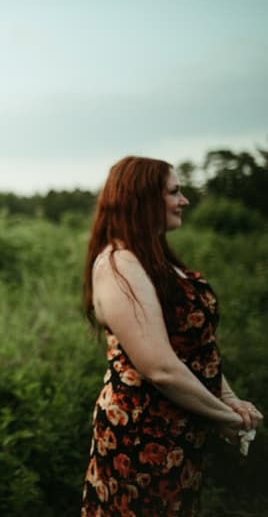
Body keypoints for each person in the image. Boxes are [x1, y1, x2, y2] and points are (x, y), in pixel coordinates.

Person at [80, 156, 263, 515]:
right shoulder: (119, 263)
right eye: (174, 192)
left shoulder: (156, 259)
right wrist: (226, 417)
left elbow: (194, 351)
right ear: (143, 199)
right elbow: (160, 368)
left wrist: (229, 400)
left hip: (180, 431)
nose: (185, 201)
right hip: (141, 436)